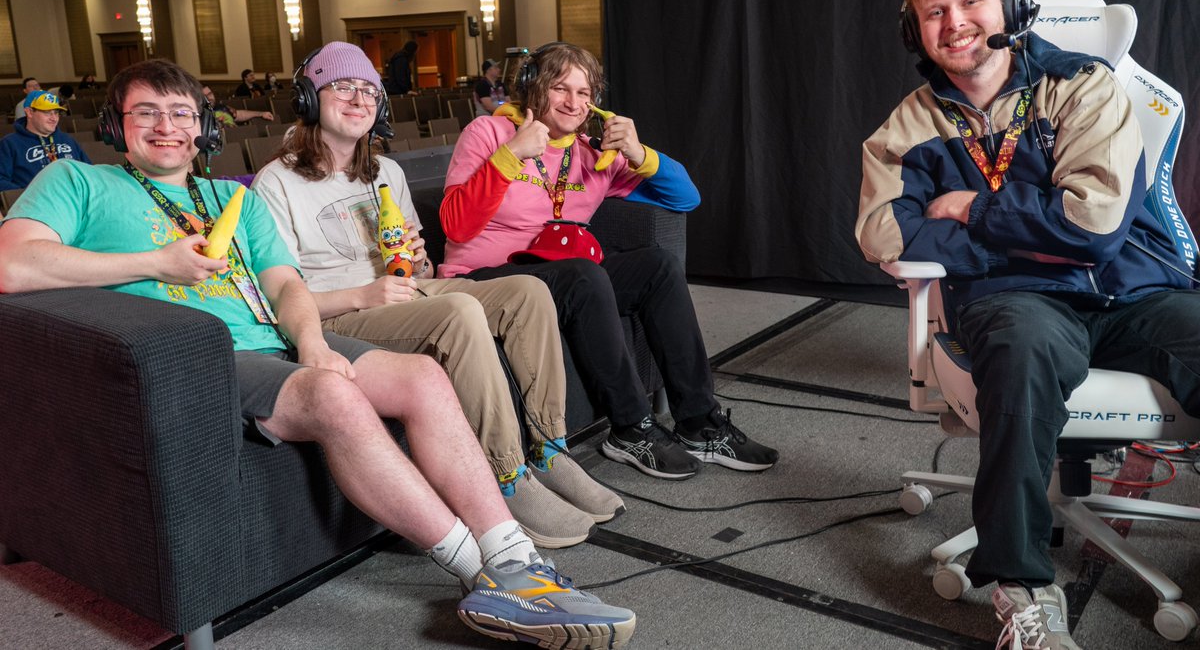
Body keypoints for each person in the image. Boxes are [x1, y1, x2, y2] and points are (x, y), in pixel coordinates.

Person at [0, 57, 636, 648]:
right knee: (332, 393)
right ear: (117, 125)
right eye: (146, 113)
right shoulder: (78, 181)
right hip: (196, 356)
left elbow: (285, 285)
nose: (166, 127)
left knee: (420, 376)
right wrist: (154, 262)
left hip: (276, 337)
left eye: (181, 114)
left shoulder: (231, 198)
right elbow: (11, 264)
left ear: (202, 128)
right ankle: (488, 580)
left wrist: (310, 343)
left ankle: (513, 558)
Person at [856, 0, 1200, 649]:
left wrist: (970, 211)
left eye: (971, 3)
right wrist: (1037, 230)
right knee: (1021, 348)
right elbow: (886, 235)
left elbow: (1097, 222)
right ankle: (1023, 589)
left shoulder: (1083, 84)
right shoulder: (907, 128)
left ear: (1012, 7)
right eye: (934, 12)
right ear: (914, 31)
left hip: (1128, 289)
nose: (953, 23)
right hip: (1017, 300)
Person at [252, 41, 623, 548]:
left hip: (401, 292)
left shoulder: (386, 172)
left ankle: (549, 446)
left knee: (528, 292)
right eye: (342, 87)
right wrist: (364, 293)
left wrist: (419, 259)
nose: (358, 99)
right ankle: (505, 475)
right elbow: (280, 294)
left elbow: (416, 267)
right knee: (458, 309)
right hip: (337, 312)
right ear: (310, 98)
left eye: (368, 90)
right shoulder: (277, 181)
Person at [439, 41, 779, 481]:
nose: (573, 102)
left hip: (561, 280)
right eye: (560, 88)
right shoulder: (488, 133)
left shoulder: (592, 156)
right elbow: (456, 226)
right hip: (486, 281)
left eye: (584, 93)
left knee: (657, 266)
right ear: (532, 88)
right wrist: (511, 155)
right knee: (584, 274)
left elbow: (687, 198)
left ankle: (700, 422)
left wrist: (640, 154)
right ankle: (631, 429)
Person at [0, 90, 91, 191]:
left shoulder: (68, 140)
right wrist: (30, 195)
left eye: (56, 113)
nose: (54, 118)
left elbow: (89, 172)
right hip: (36, 203)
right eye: (47, 112)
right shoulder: (9, 144)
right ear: (29, 112)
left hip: (75, 200)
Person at [202, 85, 274, 127]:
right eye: (205, 96)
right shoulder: (199, 116)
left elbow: (240, 114)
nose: (209, 98)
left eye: (210, 94)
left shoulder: (222, 108)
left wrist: (261, 114)